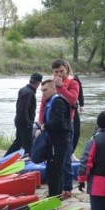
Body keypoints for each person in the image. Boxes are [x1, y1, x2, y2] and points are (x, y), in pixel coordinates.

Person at [38, 59, 80, 199]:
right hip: (51, 127)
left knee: (66, 158)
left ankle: (67, 188)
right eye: (56, 72)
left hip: (67, 124)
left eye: (61, 71)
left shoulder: (73, 82)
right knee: (52, 159)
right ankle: (56, 187)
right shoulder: (49, 85)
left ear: (66, 69)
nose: (59, 74)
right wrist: (40, 123)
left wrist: (61, 87)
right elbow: (43, 105)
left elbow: (73, 100)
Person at [38, 79, 72, 198]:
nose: (43, 93)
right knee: (54, 168)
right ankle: (56, 193)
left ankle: (54, 195)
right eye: (42, 91)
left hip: (59, 141)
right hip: (53, 140)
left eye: (46, 90)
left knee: (54, 170)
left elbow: (58, 122)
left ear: (53, 88)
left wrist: (44, 126)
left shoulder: (58, 101)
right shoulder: (51, 101)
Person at [6, 72, 42, 156]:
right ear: (38, 83)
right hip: (24, 123)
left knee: (18, 142)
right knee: (28, 146)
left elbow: (21, 108)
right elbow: (24, 109)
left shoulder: (23, 89)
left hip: (18, 120)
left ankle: (5, 158)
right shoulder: (30, 93)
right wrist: (29, 123)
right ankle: (30, 161)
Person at [72, 74, 85, 152]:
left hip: (73, 107)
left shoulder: (74, 78)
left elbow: (80, 92)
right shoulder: (55, 79)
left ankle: (71, 152)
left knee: (76, 131)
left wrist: (82, 104)